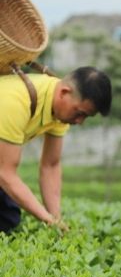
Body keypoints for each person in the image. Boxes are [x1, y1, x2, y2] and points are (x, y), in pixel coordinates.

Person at [0, 66, 112, 233]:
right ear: (64, 93)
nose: (80, 121)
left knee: (8, 216)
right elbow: (5, 174)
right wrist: (47, 219)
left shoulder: (59, 109)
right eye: (80, 113)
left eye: (86, 117)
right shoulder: (14, 101)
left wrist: (56, 219)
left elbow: (51, 165)